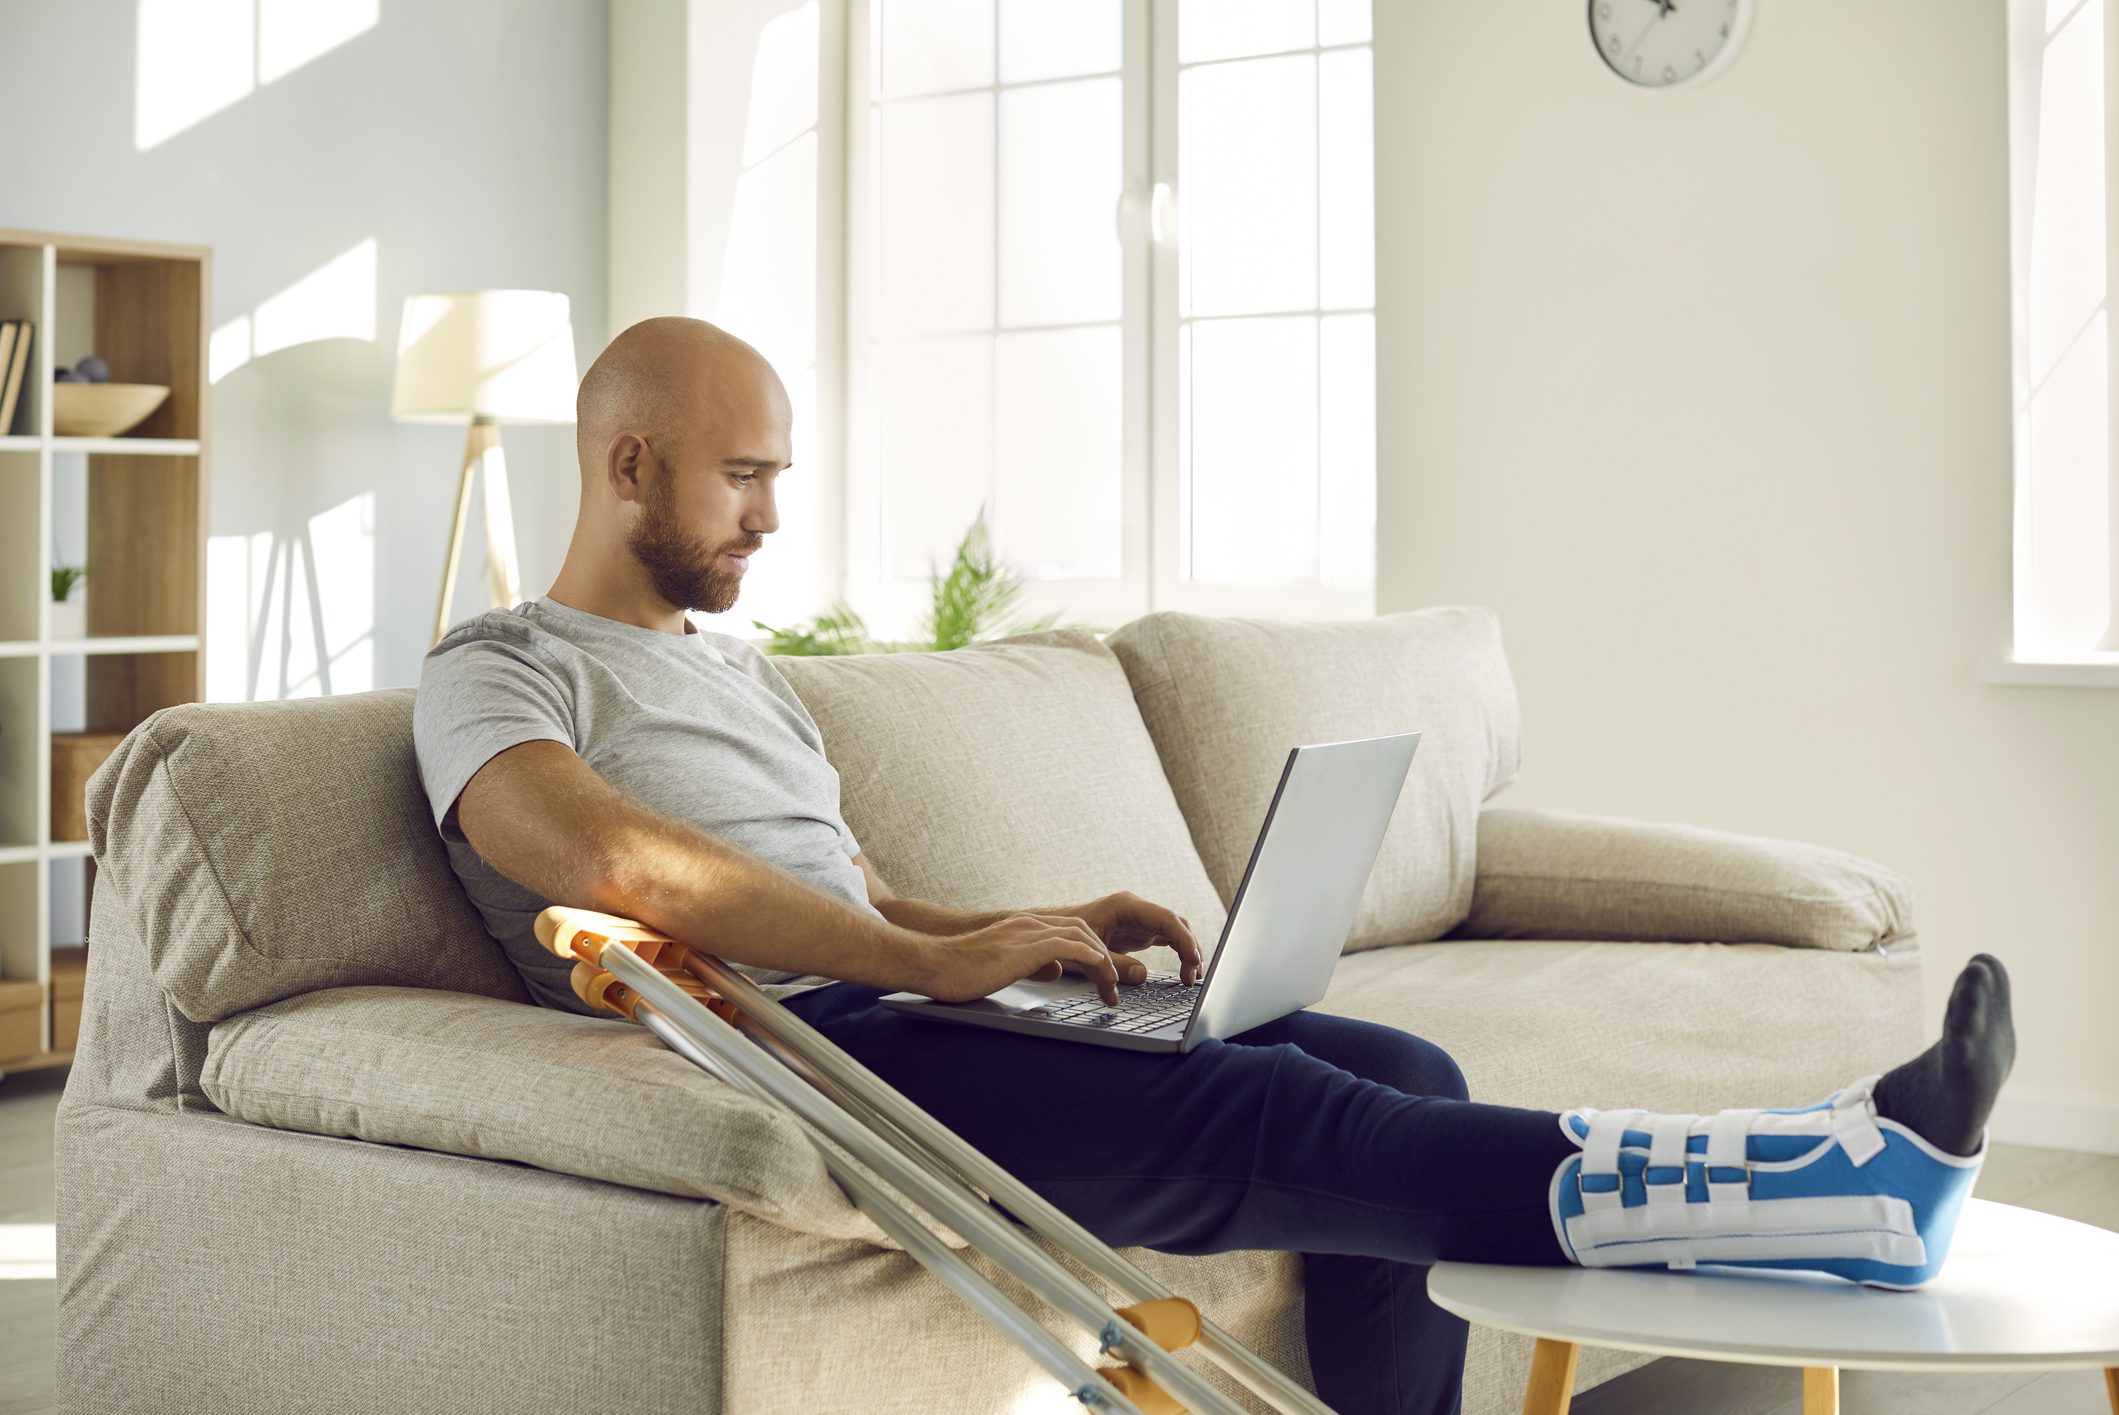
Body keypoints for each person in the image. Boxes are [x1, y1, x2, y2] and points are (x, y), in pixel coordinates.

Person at [413, 317, 2015, 1415]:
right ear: (627, 468)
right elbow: (596, 854)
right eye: (741, 473)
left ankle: (1791, 1191)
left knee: (1401, 1055)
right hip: (813, 1051)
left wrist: (1014, 932)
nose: (769, 514)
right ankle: (1824, 1185)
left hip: (900, 1005)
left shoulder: (739, 674)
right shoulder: (496, 666)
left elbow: (864, 887)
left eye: (775, 476)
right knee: (1284, 1113)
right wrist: (928, 967)